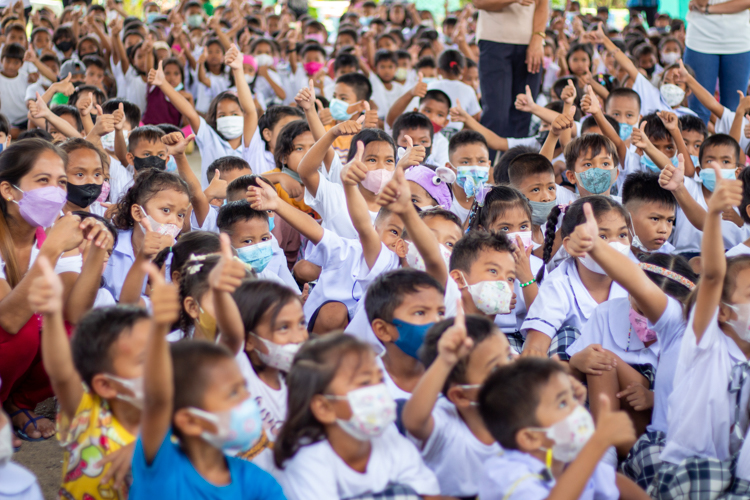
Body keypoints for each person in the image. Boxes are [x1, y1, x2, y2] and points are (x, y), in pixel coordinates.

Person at [475, 0, 547, 155]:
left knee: (524, 111)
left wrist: (538, 38)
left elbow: (542, 4)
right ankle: (487, 169)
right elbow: (479, 2)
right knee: (496, 114)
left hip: (531, 43)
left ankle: (516, 170)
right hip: (494, 41)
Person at [684, 0, 750, 125]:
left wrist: (709, 9)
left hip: (739, 41)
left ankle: (731, 145)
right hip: (700, 39)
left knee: (734, 111)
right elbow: (701, 2)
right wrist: (707, 7)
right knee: (698, 111)